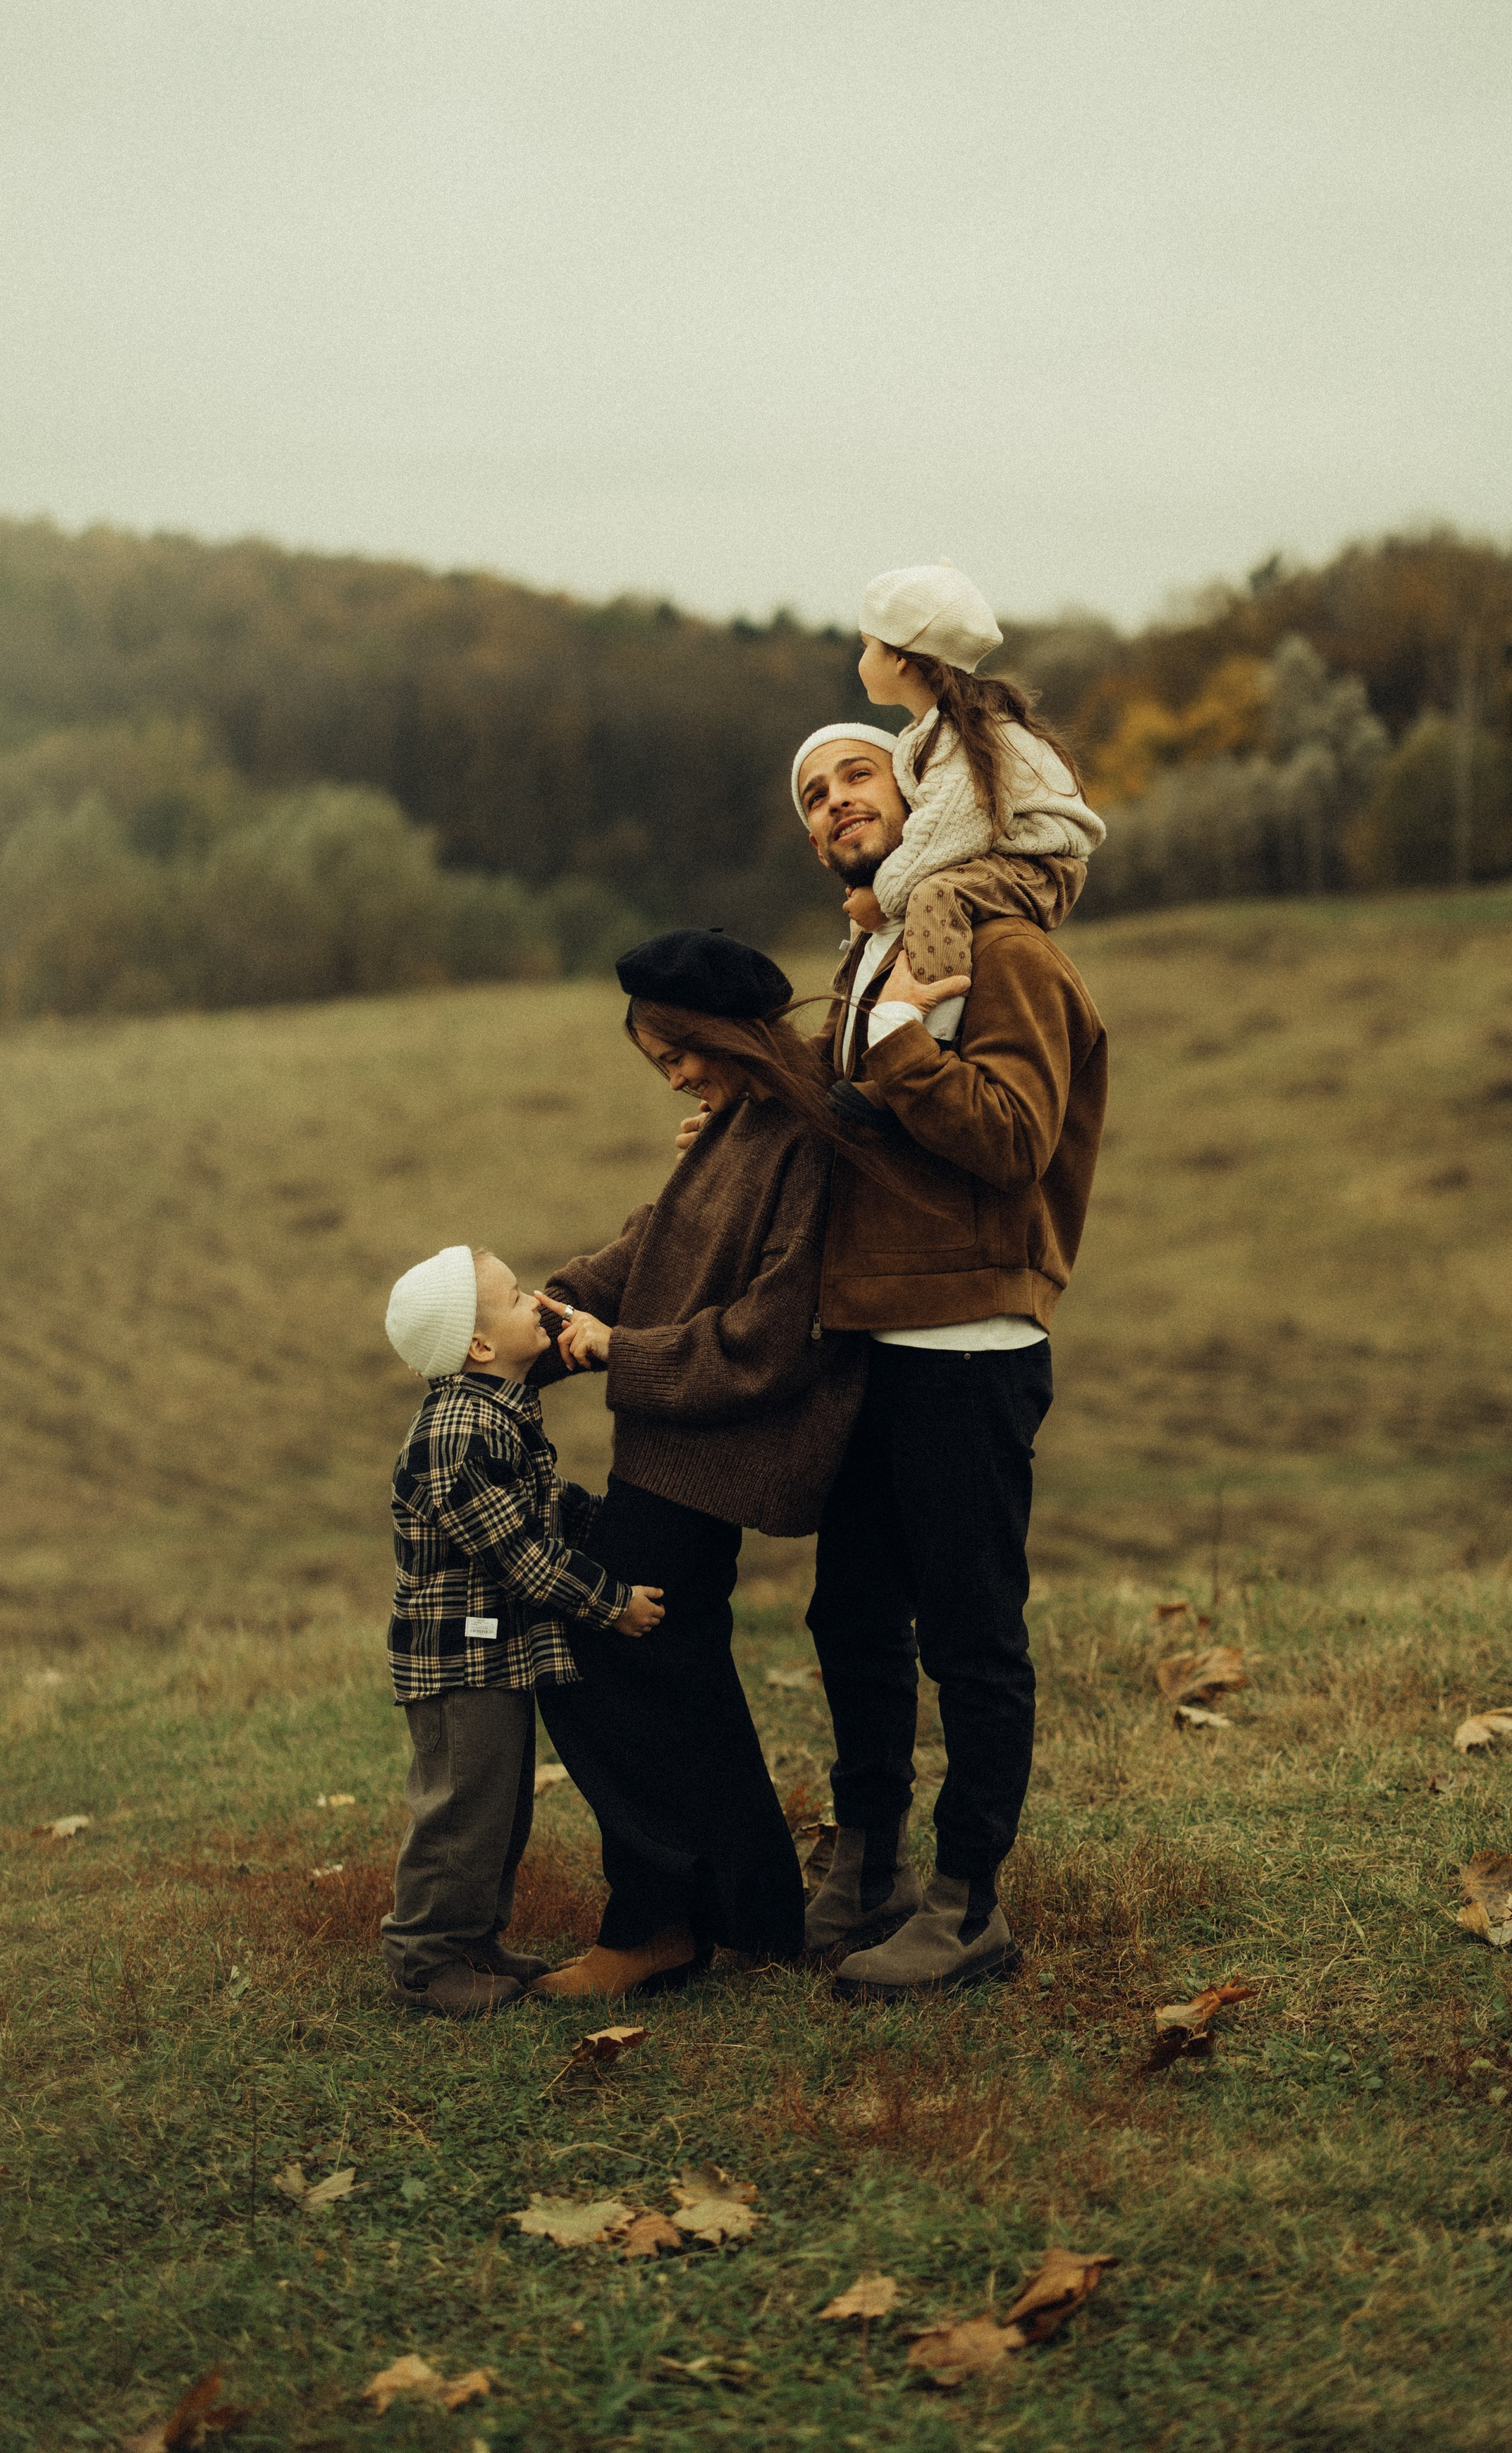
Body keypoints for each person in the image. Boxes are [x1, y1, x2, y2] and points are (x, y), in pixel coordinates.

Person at [789, 674, 1107, 2000]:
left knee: (972, 1633)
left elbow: (1017, 1137)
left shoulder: (1005, 948)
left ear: (920, 791)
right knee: (851, 1613)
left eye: (854, 777)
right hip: (868, 1335)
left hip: (969, 1339)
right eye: (811, 799)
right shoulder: (871, 959)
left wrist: (906, 1045)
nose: (832, 807)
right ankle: (870, 1866)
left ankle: (971, 1901)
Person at [525, 928, 867, 2005]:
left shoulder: (807, 1137)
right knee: (681, 1675)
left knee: (590, 1649)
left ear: (727, 1030)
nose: (673, 1077)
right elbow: (652, 1248)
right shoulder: (740, 1123)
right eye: (660, 1063)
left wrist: (616, 1351)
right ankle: (752, 1913)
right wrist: (531, 1318)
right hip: (673, 1449)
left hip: (713, 1453)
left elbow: (768, 1338)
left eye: (679, 1053)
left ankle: (658, 1923)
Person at [379, 1242, 665, 2018]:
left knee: (498, 1810)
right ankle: (425, 1961)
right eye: (512, 1299)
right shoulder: (458, 1433)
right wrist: (613, 1602)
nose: (536, 1301)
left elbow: (539, 1502)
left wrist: (602, 1519)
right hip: (458, 1661)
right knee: (460, 1812)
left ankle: (474, 1942)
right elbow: (520, 1558)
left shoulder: (495, 1413)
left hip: (491, 1654)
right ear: (477, 1346)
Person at [845, 563, 1105, 1039]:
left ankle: (922, 1039)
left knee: (934, 893)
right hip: (1004, 859)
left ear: (901, 658)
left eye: (868, 646)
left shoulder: (966, 741)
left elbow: (937, 842)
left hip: (1042, 866)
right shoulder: (928, 733)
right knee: (924, 891)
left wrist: (880, 897)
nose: (861, 660)